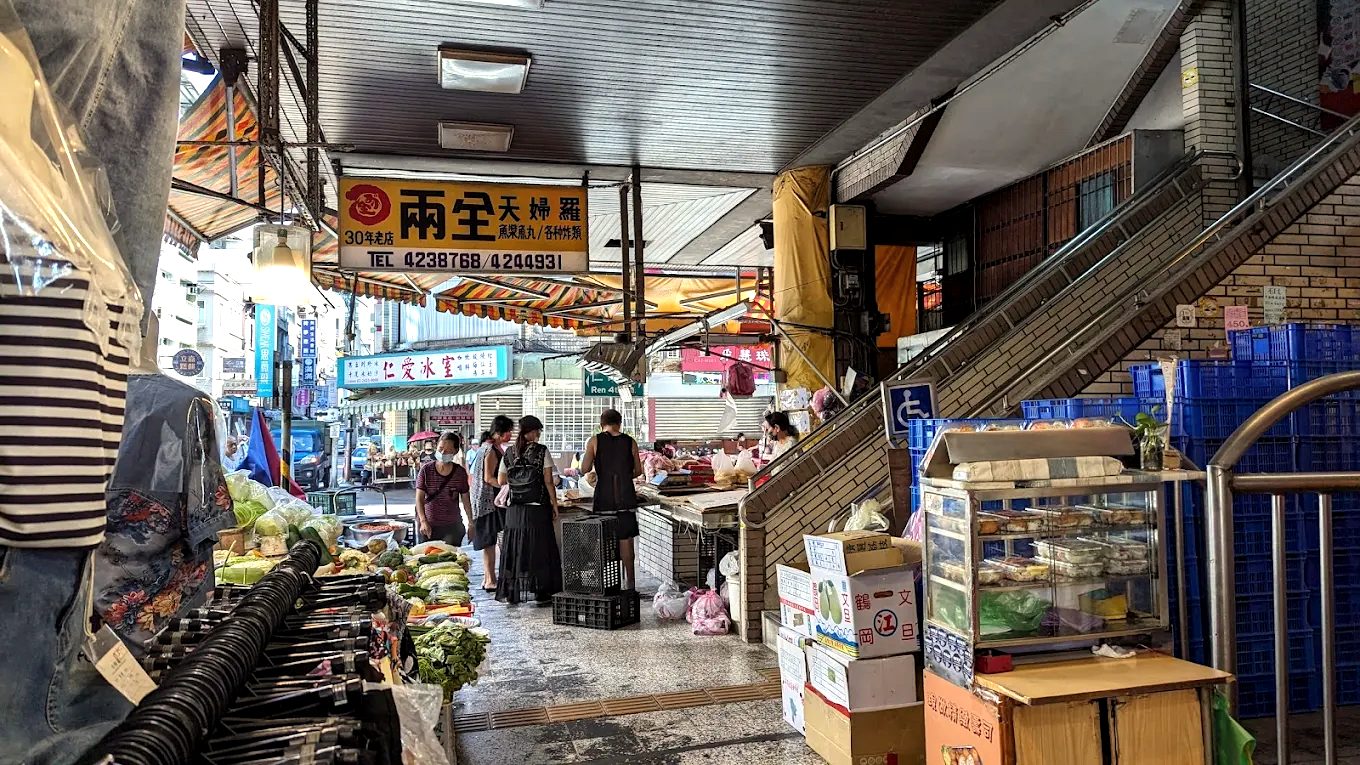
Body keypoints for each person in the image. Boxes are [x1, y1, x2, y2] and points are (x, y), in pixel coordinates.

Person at [496, 415, 562, 605]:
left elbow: (501, 480)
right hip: (537, 510)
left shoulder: (509, 452)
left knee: (516, 551)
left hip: (515, 511)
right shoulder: (541, 451)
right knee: (539, 551)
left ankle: (512, 593)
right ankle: (541, 592)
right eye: (538, 431)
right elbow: (549, 481)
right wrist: (554, 505)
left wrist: (517, 480)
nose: (539, 434)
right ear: (532, 431)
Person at [580, 409, 644, 590]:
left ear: (602, 424)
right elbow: (638, 471)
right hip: (626, 498)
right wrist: (624, 475)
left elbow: (584, 468)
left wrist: (597, 470)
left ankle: (601, 583)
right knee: (626, 541)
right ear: (619, 423)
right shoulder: (630, 442)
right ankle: (630, 584)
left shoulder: (595, 441)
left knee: (601, 541)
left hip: (604, 498)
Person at [469, 416, 514, 591]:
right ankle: (490, 580)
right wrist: (507, 486)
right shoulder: (490, 450)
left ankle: (488, 578)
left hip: (485, 501)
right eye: (509, 431)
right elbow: (489, 478)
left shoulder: (488, 447)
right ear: (499, 432)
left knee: (489, 541)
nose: (511, 435)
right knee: (489, 542)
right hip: (487, 502)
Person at [415, 432, 474, 547]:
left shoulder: (460, 473)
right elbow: (419, 498)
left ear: (455, 451)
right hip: (429, 527)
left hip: (452, 528)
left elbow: (466, 500)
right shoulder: (426, 470)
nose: (442, 453)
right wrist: (423, 521)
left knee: (452, 557)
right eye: (440, 449)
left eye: (447, 451)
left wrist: (471, 524)